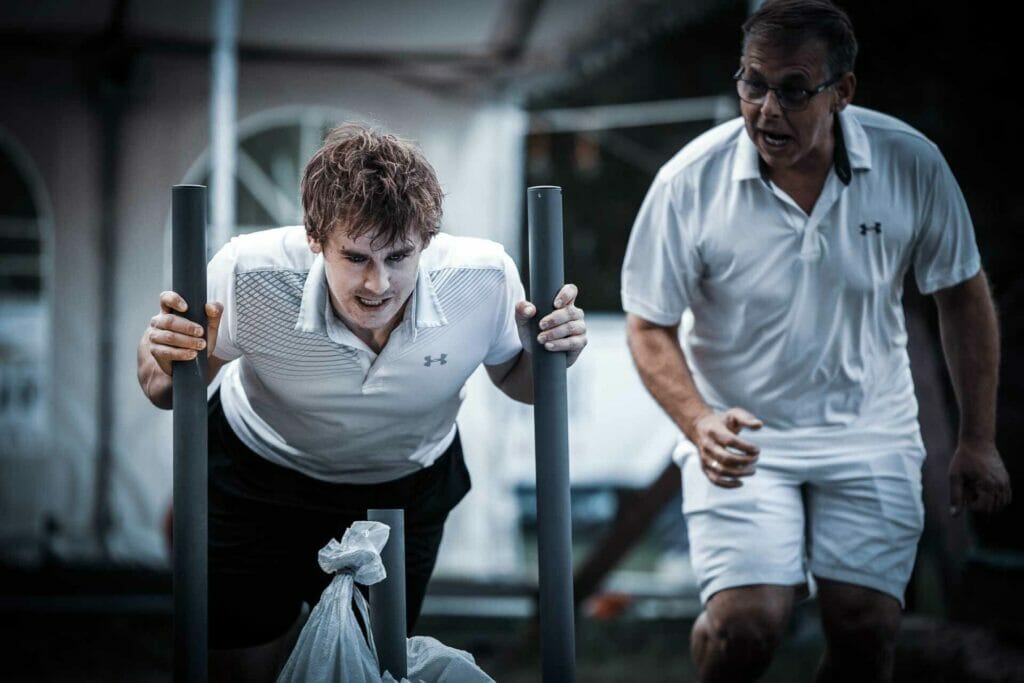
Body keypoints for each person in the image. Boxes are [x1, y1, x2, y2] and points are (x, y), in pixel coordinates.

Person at [621, 1, 1011, 680]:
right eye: (752, 83)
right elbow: (648, 321)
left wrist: (978, 437)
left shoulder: (911, 163)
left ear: (843, 92)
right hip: (740, 437)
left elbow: (962, 292)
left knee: (866, 626)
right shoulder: (688, 181)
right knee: (747, 626)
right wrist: (698, 421)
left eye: (794, 89)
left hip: (871, 428)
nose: (767, 110)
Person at [137, 123, 587, 680]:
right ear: (314, 237)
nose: (378, 283)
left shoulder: (484, 276)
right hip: (254, 477)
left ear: (426, 238)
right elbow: (164, 390)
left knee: (372, 667)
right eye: (356, 257)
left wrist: (551, 358)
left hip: (405, 483)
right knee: (240, 666)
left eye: (399, 257)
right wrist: (163, 350)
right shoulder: (247, 271)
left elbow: (518, 383)